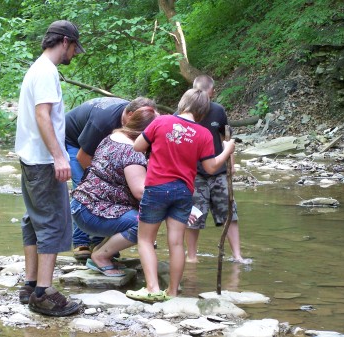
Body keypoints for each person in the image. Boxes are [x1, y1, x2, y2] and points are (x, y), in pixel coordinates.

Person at [125, 88, 235, 302]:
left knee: (146, 240)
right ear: (203, 111)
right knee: (176, 243)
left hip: (157, 187)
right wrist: (227, 150)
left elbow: (138, 146)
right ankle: (173, 292)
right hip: (184, 191)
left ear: (182, 104)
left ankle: (152, 287)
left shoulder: (162, 121)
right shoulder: (203, 133)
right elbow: (211, 168)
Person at [14, 20, 84, 317]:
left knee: (34, 220)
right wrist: (59, 156)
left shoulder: (36, 68)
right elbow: (43, 116)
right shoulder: (46, 71)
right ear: (65, 42)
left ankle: (30, 286)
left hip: (31, 156)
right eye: (74, 48)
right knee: (53, 222)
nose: (74, 55)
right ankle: (44, 293)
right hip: (43, 160)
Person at [70, 106, 159, 276]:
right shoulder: (133, 152)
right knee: (144, 221)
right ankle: (101, 256)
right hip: (91, 212)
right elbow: (140, 192)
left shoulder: (112, 137)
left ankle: (100, 253)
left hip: (81, 205)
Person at [185, 75, 251, 264]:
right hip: (195, 173)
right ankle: (191, 256)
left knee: (229, 212)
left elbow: (226, 138)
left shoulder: (218, 111)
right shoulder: (184, 113)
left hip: (219, 171)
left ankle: (237, 255)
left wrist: (231, 163)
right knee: (194, 215)